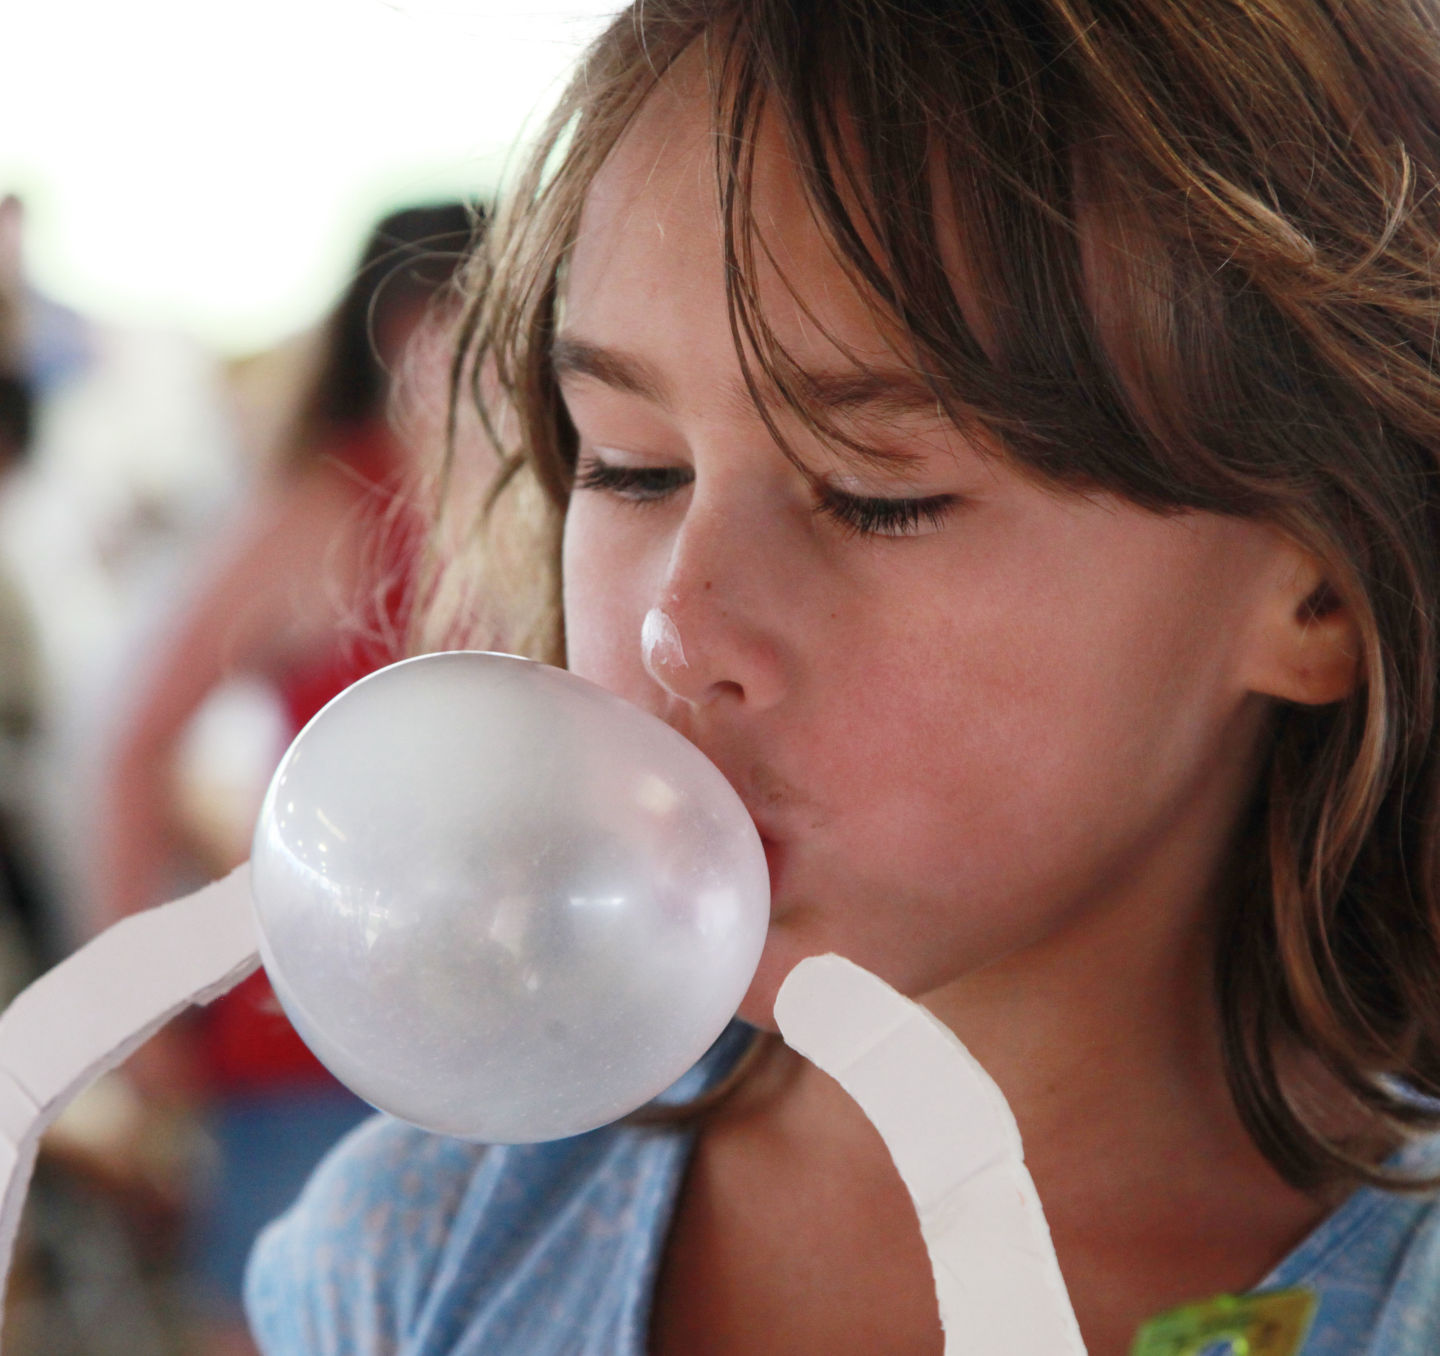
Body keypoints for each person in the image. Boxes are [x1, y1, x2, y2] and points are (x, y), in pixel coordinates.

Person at [244, 2, 1440, 1352]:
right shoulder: (416, 1252)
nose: (677, 633)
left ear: (1324, 589)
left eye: (878, 494)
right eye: (633, 466)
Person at [92, 202, 475, 1350]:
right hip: (313, 1046)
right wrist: (139, 1005)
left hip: (493, 1048)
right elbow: (131, 748)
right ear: (413, 326)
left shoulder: (561, 508)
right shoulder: (327, 508)